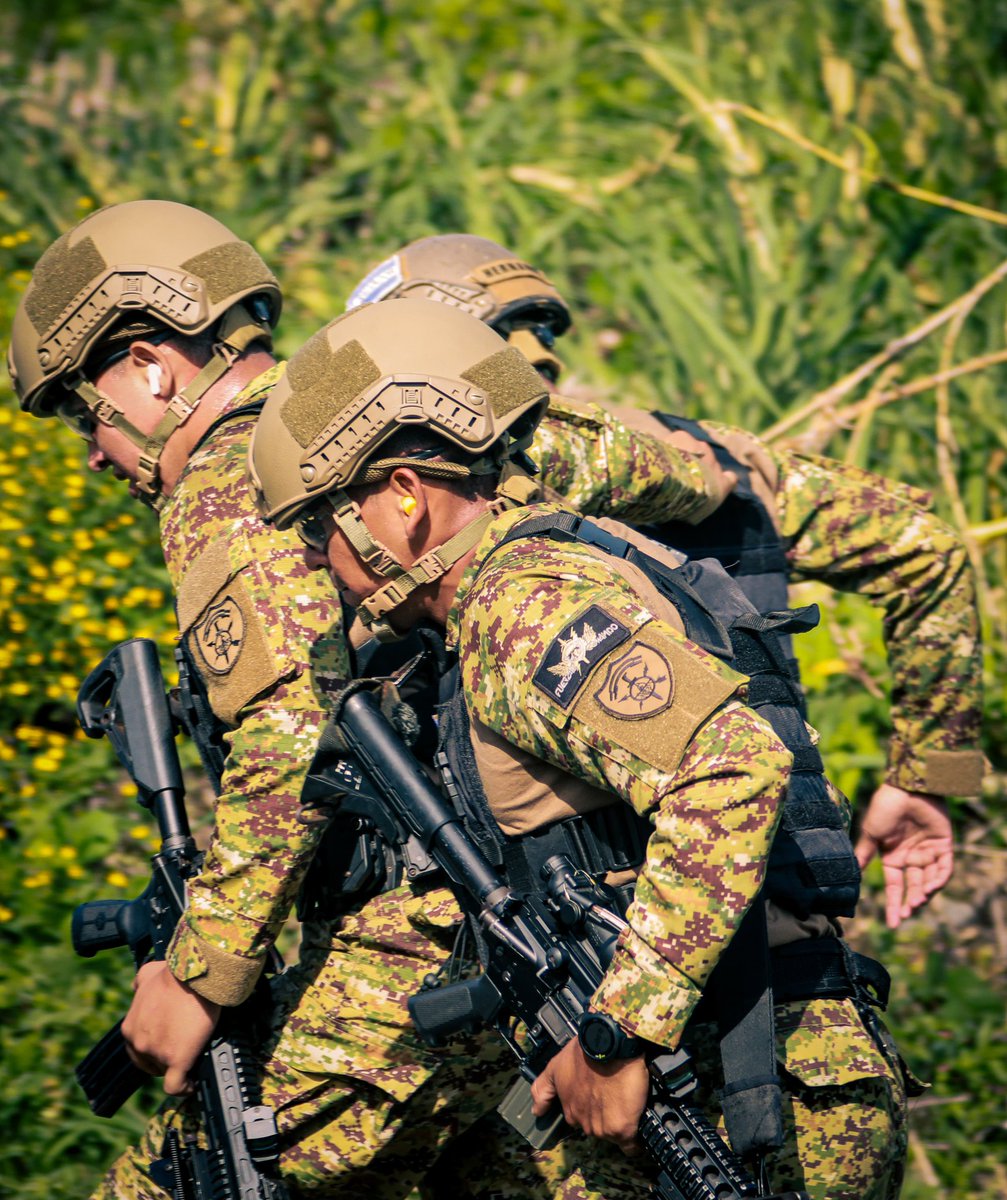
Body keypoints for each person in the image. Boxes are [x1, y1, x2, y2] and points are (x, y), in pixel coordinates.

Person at [7, 200, 737, 1198]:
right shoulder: (381, 418)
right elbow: (680, 468)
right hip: (532, 924)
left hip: (424, 942)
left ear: (149, 365)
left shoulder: (227, 480)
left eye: (84, 413)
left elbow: (289, 726)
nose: (96, 452)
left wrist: (196, 972)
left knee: (184, 1181)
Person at [248, 297, 913, 1200]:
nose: (314, 559)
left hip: (752, 1096)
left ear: (401, 496)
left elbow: (732, 765)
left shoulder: (522, 603)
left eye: (316, 525)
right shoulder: (536, 578)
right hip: (735, 1072)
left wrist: (617, 1033)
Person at [351, 232, 985, 930]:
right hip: (770, 895)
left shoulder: (424, 483)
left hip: (546, 922)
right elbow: (924, 547)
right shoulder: (697, 452)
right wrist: (929, 773)